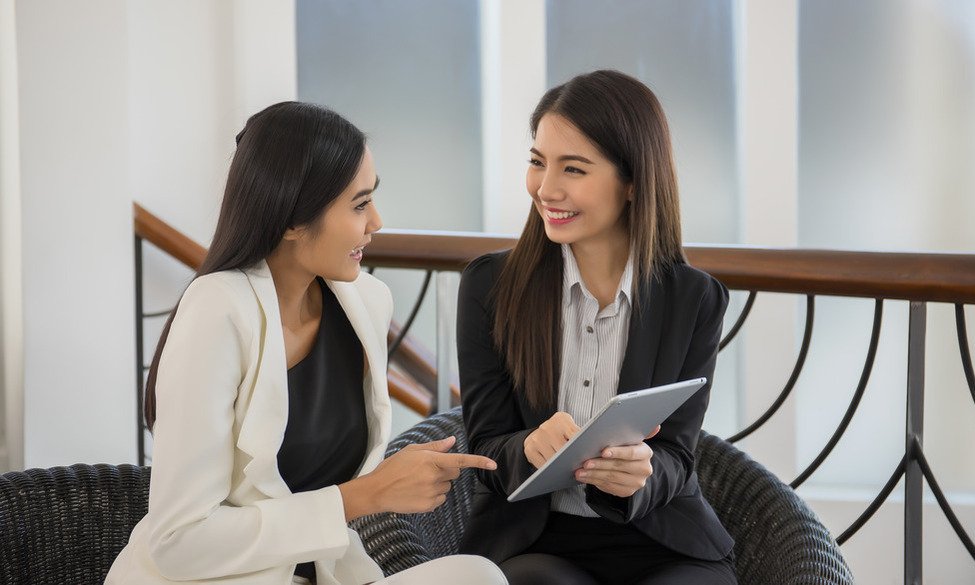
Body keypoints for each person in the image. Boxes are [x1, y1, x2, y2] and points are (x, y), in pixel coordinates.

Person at [105, 102, 507, 585]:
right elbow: (178, 543)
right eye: (359, 205)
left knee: (478, 575)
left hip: (323, 575)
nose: (376, 221)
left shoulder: (365, 303)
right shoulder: (217, 310)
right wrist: (367, 495)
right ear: (292, 220)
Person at [456, 70, 737, 585]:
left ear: (632, 184)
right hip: (535, 540)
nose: (546, 188)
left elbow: (678, 453)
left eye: (574, 169)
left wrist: (641, 474)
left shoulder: (693, 298)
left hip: (662, 540)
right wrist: (527, 449)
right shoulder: (490, 286)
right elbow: (487, 446)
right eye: (538, 162)